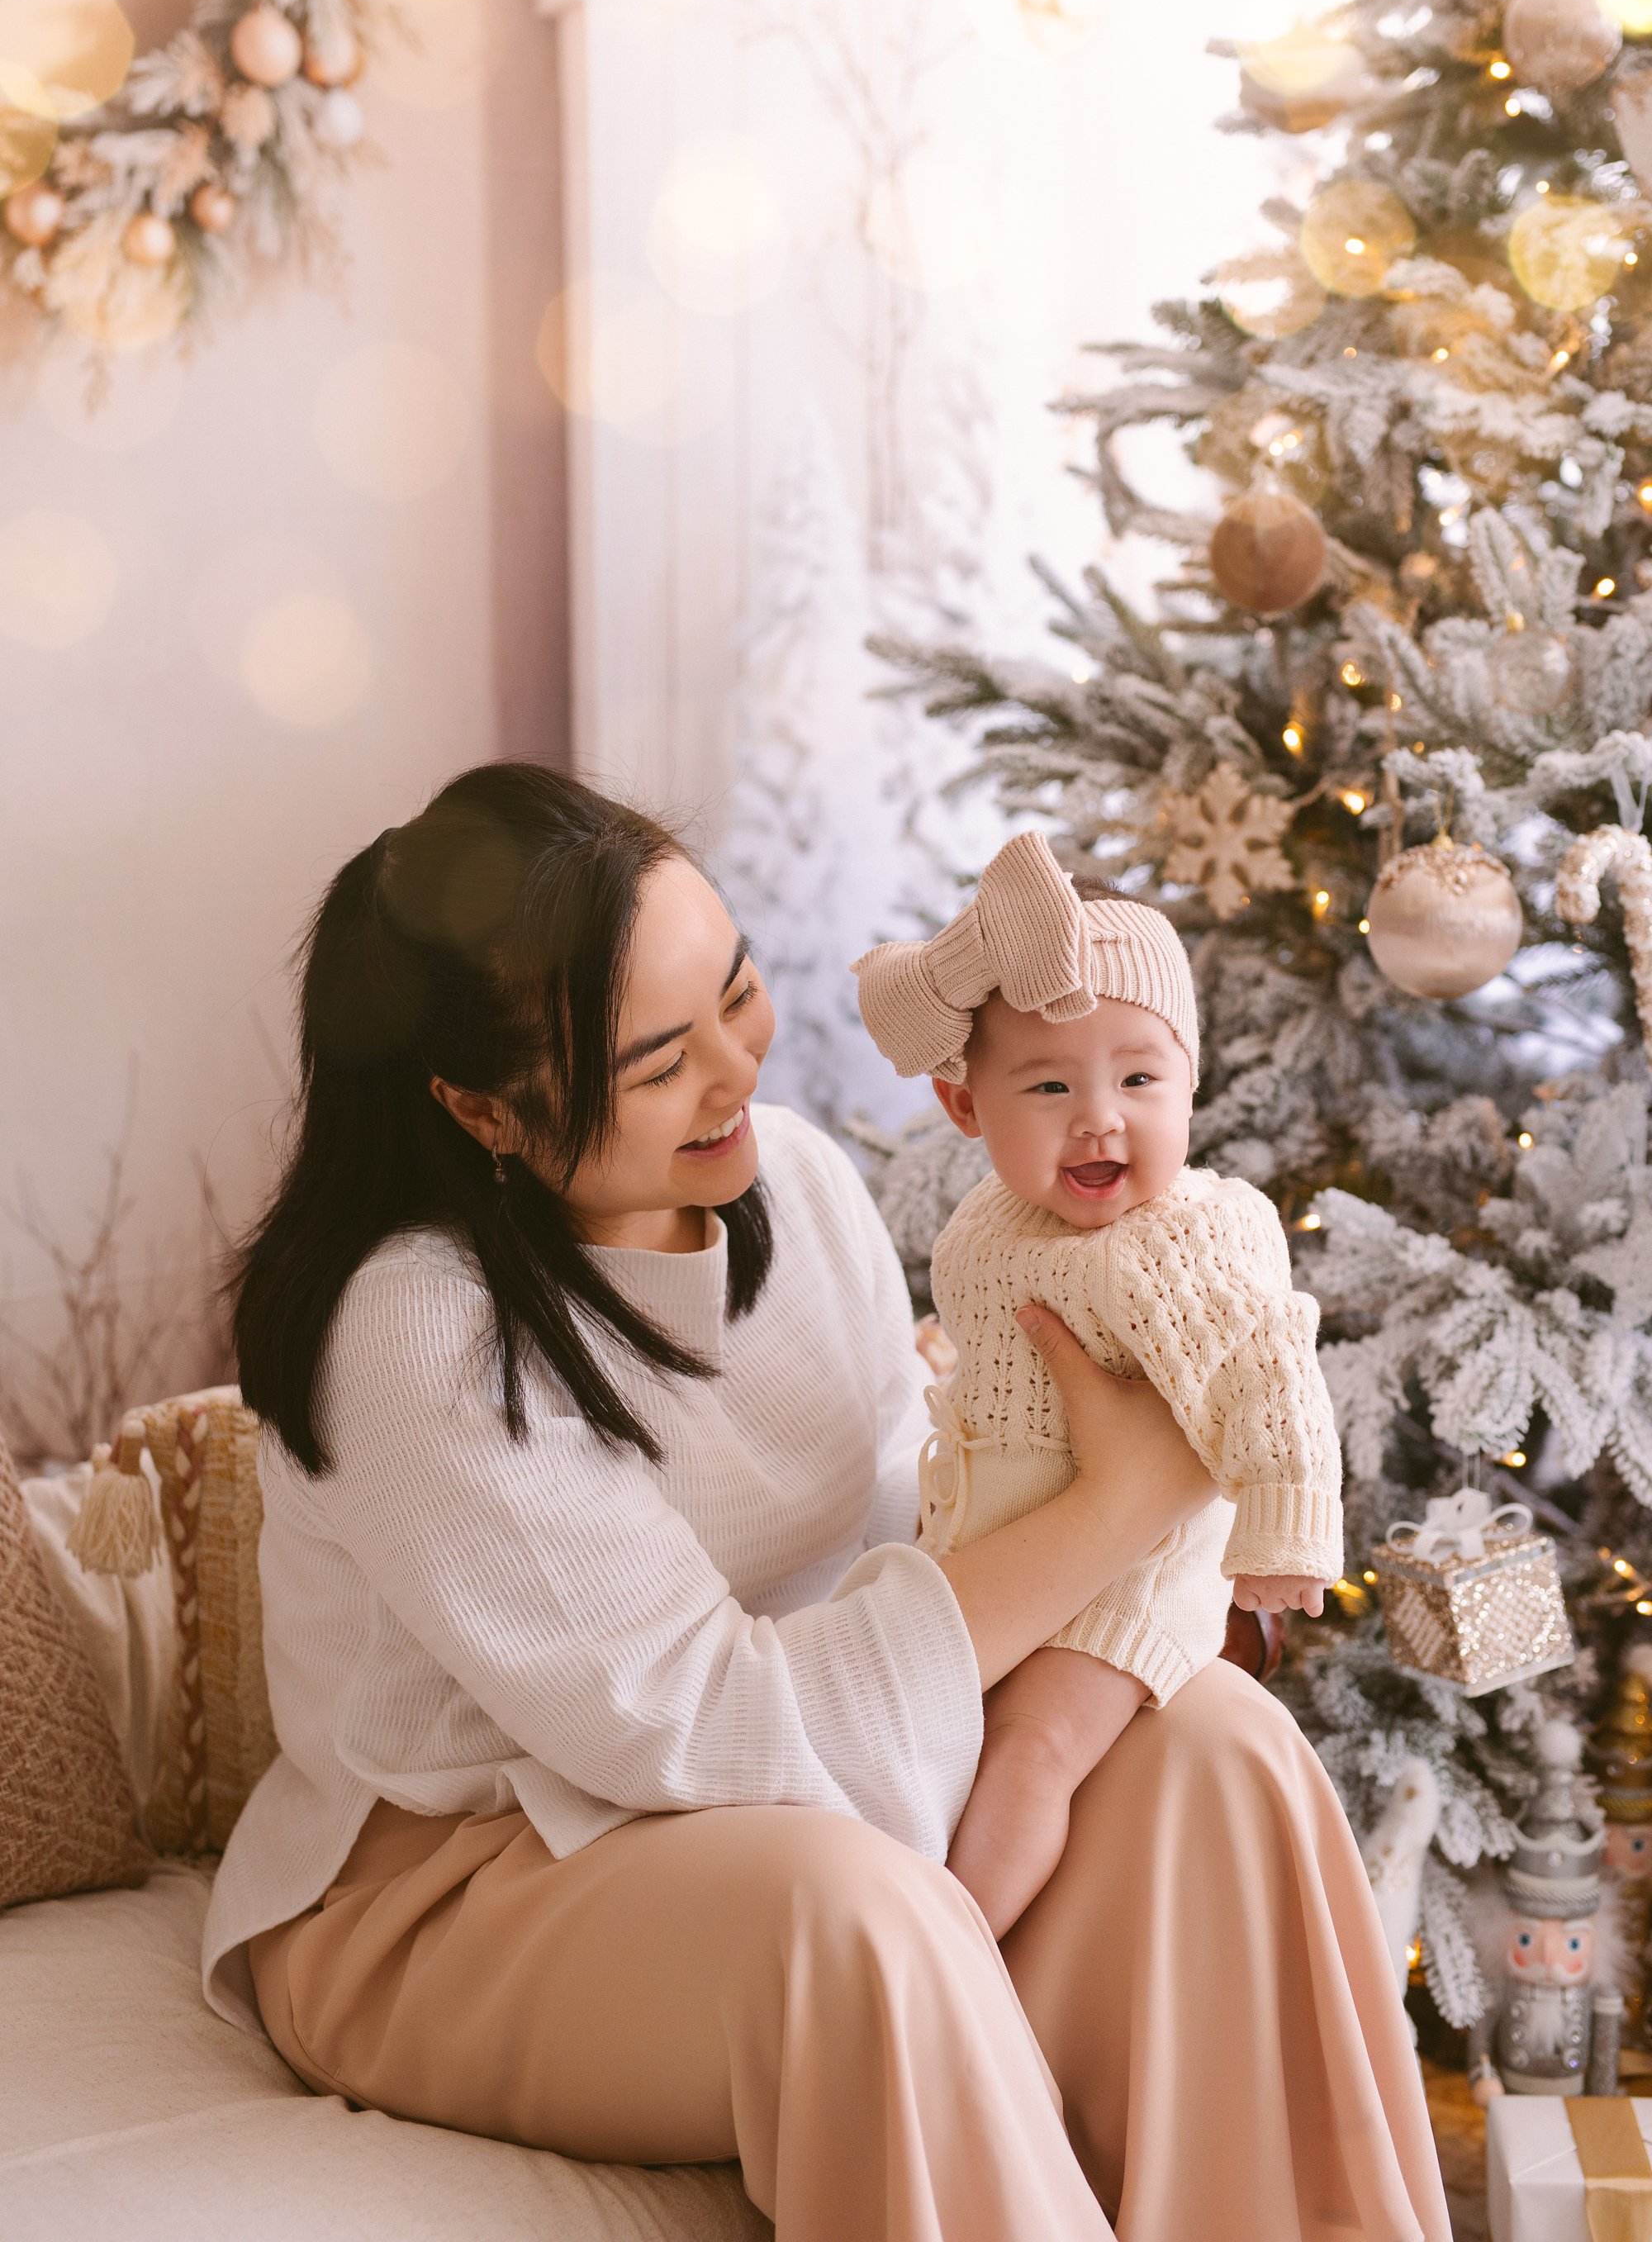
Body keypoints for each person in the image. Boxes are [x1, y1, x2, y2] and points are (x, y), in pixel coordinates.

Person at [204, 762, 1449, 2242]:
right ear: (482, 1105)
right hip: (462, 1888)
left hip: (813, 1770)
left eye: (737, 993)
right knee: (852, 1913)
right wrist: (1130, 1495)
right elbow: (699, 1724)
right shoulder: (416, 1329)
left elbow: (901, 1531)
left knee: (1215, 1749)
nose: (738, 1074)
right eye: (661, 1062)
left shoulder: (785, 1181)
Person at [853, 829, 1341, 1935]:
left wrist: (1287, 1531)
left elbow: (1270, 1368)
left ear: (1188, 1083)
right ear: (965, 1110)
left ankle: (953, 1953)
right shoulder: (993, 1219)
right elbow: (994, 1334)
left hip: (1128, 1580)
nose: (1098, 1115)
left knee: (1032, 1750)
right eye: (1047, 1084)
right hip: (1012, 1548)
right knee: (936, 1727)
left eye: (1138, 1077)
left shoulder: (1181, 1242)